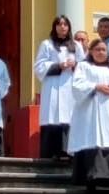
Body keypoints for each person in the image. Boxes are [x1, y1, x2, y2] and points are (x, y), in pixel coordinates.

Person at [70, 39, 109, 194]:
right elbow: (77, 86)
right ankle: (93, 183)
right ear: (91, 51)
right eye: (97, 49)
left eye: (104, 50)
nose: (100, 52)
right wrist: (96, 86)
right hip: (90, 112)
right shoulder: (84, 66)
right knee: (93, 142)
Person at [34, 15, 84, 159]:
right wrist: (58, 65)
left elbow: (85, 66)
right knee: (52, 117)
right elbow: (38, 66)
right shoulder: (47, 44)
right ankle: (51, 153)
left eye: (65, 24)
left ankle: (69, 153)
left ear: (68, 27)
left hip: (70, 86)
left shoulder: (76, 45)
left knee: (69, 117)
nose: (62, 27)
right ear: (54, 27)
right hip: (53, 87)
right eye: (59, 24)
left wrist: (75, 65)